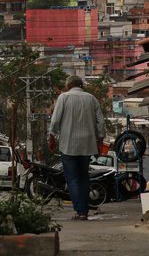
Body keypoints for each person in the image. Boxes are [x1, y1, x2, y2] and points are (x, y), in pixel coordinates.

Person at [48, 75, 104, 220]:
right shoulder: (91, 98)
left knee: (72, 179)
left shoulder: (64, 97)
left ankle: (80, 211)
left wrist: (52, 136)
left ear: (68, 86)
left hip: (68, 144)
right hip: (87, 144)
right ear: (81, 85)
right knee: (84, 177)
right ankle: (83, 211)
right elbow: (101, 122)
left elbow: (55, 120)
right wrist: (100, 140)